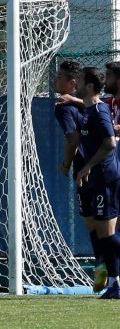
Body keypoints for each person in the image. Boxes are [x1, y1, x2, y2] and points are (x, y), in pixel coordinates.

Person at [54, 60, 107, 292]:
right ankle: (105, 267)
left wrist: (66, 163)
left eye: (59, 77)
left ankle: (104, 265)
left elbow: (73, 139)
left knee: (94, 223)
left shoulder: (63, 108)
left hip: (87, 171)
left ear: (73, 83)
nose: (55, 80)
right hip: (107, 168)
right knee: (106, 221)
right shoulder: (92, 105)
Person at [75, 67, 120, 298]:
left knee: (107, 236)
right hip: (98, 179)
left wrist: (87, 166)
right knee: (104, 236)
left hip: (105, 178)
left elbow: (110, 143)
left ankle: (115, 284)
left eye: (80, 80)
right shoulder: (88, 110)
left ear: (90, 86)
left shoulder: (100, 112)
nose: (76, 83)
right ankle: (114, 285)